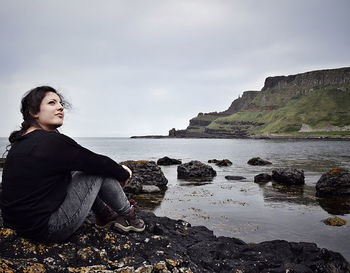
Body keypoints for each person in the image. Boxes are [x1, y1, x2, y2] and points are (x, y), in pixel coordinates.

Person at [0, 86, 145, 243]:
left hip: (19, 226)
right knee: (97, 170)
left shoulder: (21, 142)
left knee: (79, 168)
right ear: (34, 112)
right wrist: (124, 173)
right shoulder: (51, 141)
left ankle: (105, 214)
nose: (60, 107)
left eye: (60, 103)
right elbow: (97, 162)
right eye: (51, 103)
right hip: (47, 230)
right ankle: (129, 215)